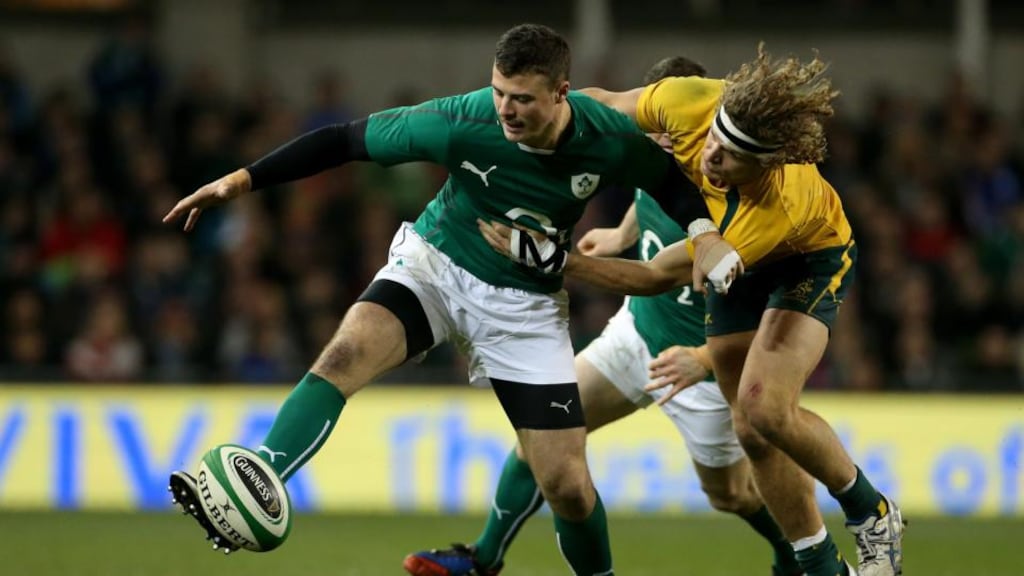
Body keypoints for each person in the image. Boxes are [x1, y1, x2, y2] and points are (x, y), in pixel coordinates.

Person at [162, 24, 740, 576]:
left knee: (566, 484)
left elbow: (671, 184)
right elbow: (344, 141)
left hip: (525, 307)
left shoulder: (608, 138)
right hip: (437, 266)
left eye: (521, 98)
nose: (505, 109)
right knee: (346, 352)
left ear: (561, 93)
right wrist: (242, 180)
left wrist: (704, 234)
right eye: (499, 92)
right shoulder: (461, 120)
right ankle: (265, 471)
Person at [477, 44, 905, 576]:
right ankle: (819, 564)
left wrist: (554, 260)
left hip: (804, 260)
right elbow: (599, 105)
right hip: (703, 277)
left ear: (764, 164)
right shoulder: (686, 103)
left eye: (730, 157)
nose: (710, 158)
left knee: (764, 410)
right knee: (750, 434)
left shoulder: (766, 213)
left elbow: (655, 276)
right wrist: (529, 124)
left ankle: (870, 511)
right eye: (714, 140)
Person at [403, 56, 803, 576]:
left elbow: (773, 318)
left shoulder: (743, 206)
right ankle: (482, 558)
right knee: (540, 435)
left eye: (671, 129)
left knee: (729, 495)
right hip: (637, 335)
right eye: (653, 126)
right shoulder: (649, 154)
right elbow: (649, 195)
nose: (661, 139)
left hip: (703, 368)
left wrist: (705, 358)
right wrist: (622, 234)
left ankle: (793, 552)